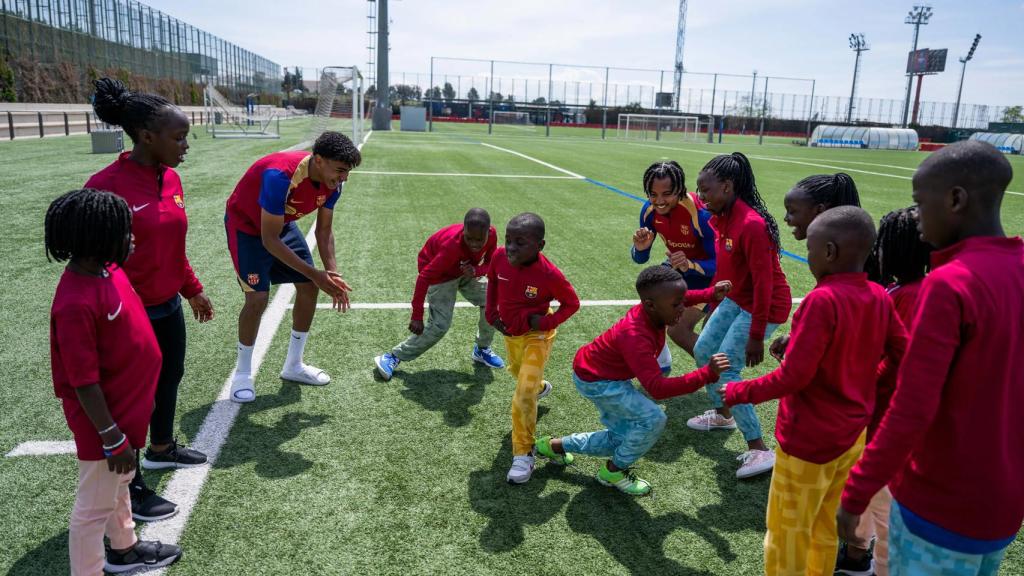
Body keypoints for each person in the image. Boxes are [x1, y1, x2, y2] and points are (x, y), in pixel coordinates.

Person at [839, 141, 1024, 576]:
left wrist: (856, 493)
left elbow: (911, 407)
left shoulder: (950, 284)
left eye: (921, 204)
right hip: (1002, 505)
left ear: (956, 199)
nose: (917, 217)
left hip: (938, 504)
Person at [721, 206, 907, 576]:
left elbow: (794, 377)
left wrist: (739, 391)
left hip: (808, 440)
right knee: (823, 527)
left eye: (810, 250)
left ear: (830, 252)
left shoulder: (822, 300)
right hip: (852, 435)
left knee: (787, 533)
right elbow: (904, 353)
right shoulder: (878, 295)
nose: (807, 257)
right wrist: (863, 380)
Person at [86, 77, 213, 523]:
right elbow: (93, 263)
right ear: (146, 136)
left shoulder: (172, 177)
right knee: (132, 398)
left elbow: (173, 246)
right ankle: (132, 486)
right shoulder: (105, 186)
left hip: (168, 304)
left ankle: (161, 448)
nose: (185, 145)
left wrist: (191, 287)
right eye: (178, 137)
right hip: (127, 314)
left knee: (170, 377)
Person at [46, 189, 183, 575]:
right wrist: (110, 435)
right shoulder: (75, 301)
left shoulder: (109, 270)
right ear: (96, 238)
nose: (133, 238)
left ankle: (124, 549)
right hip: (102, 423)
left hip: (124, 411)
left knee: (119, 483)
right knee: (92, 508)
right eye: (125, 232)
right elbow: (83, 380)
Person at [535, 266, 731, 496]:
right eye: (676, 304)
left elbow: (684, 296)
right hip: (598, 381)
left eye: (682, 301)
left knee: (620, 438)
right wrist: (707, 373)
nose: (683, 308)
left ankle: (552, 446)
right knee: (653, 419)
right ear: (650, 304)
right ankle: (613, 470)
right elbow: (657, 389)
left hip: (599, 374)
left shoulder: (654, 308)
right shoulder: (636, 336)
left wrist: (710, 294)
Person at [224, 131, 360, 403]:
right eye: (341, 170)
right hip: (247, 228)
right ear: (319, 160)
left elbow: (324, 231)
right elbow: (268, 239)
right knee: (257, 297)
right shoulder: (279, 176)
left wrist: (331, 274)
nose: (344, 178)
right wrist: (315, 273)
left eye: (348, 172)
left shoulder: (334, 183)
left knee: (309, 286)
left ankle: (293, 365)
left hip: (280, 226)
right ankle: (242, 374)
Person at [835, 206, 932, 576]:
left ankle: (878, 565)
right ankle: (859, 555)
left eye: (882, 244)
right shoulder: (909, 290)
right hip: (888, 412)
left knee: (881, 498)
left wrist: (856, 380)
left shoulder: (906, 296)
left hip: (885, 415)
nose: (877, 252)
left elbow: (896, 359)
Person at [690, 152, 793, 479]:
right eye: (699, 189)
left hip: (766, 304)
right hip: (737, 299)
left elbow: (765, 285)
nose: (701, 196)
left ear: (727, 186)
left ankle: (760, 448)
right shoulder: (719, 217)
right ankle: (724, 414)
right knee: (704, 350)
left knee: (728, 368)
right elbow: (726, 272)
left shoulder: (751, 225)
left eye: (705, 190)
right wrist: (716, 308)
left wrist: (755, 335)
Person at [485, 213, 580, 484]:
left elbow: (572, 303)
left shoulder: (549, 274)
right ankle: (539, 388)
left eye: (521, 242)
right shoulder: (499, 257)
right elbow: (492, 281)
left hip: (538, 336)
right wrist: (491, 314)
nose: (511, 247)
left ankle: (523, 453)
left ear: (540, 245)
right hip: (510, 332)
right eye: (508, 240)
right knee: (517, 373)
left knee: (523, 392)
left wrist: (547, 321)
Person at [374, 208, 502, 380]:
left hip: (464, 270)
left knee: (493, 301)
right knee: (440, 326)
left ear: (489, 231)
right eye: (469, 238)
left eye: (479, 240)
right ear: (463, 230)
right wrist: (417, 316)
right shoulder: (451, 247)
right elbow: (424, 278)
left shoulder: (492, 235)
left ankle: (481, 349)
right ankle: (392, 357)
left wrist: (476, 270)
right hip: (440, 277)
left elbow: (490, 263)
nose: (474, 244)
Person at [769, 172, 860, 363]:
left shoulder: (846, 262)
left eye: (793, 211)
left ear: (819, 211)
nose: (786, 218)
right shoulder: (832, 254)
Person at [630, 161, 716, 357]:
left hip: (711, 278)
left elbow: (719, 263)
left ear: (680, 190)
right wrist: (639, 248)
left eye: (666, 193)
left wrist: (690, 264)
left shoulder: (700, 215)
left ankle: (721, 372)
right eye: (653, 194)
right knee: (649, 309)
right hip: (679, 272)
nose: (659, 201)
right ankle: (655, 364)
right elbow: (640, 259)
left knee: (680, 331)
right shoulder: (648, 212)